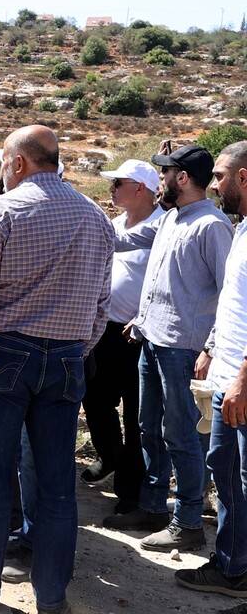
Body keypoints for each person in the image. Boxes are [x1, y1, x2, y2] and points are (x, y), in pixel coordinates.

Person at [0, 125, 114, 614]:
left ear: (19, 163)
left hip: (6, 357)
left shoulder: (1, 211)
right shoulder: (95, 216)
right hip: (65, 359)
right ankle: (53, 596)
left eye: (3, 161)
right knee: (58, 484)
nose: (1, 169)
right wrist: (75, 350)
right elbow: (101, 303)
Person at [103, 145, 232, 554]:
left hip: (183, 348)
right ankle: (155, 507)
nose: (158, 182)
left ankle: (188, 522)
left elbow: (230, 295)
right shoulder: (171, 219)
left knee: (180, 436)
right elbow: (119, 240)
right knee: (150, 429)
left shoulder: (211, 226)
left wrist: (211, 347)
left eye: (164, 174)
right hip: (152, 340)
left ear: (181, 178)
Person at [177, 141, 247, 597]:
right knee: (224, 470)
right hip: (226, 377)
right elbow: (234, 303)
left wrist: (243, 378)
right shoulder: (241, 230)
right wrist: (212, 347)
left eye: (220, 175)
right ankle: (232, 567)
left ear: (244, 178)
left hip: (243, 382)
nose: (214, 183)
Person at [80, 160, 161, 517]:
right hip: (106, 328)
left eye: (119, 183)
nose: (112, 189)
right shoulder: (114, 225)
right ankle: (109, 455)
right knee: (95, 399)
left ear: (141, 188)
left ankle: (131, 494)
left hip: (139, 332)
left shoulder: (163, 226)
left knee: (137, 415)